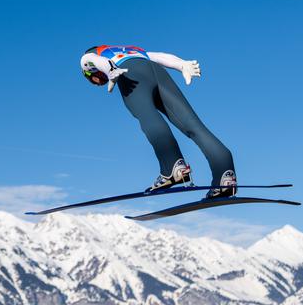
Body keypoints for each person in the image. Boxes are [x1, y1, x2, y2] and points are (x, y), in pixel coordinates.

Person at [80, 45, 237, 199]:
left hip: (131, 74)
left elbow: (90, 60)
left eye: (95, 79)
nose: (99, 82)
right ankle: (225, 175)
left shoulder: (93, 54)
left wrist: (110, 70)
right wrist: (182, 64)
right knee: (193, 125)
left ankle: (172, 167)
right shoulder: (129, 50)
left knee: (147, 116)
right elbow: (159, 56)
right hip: (158, 72)